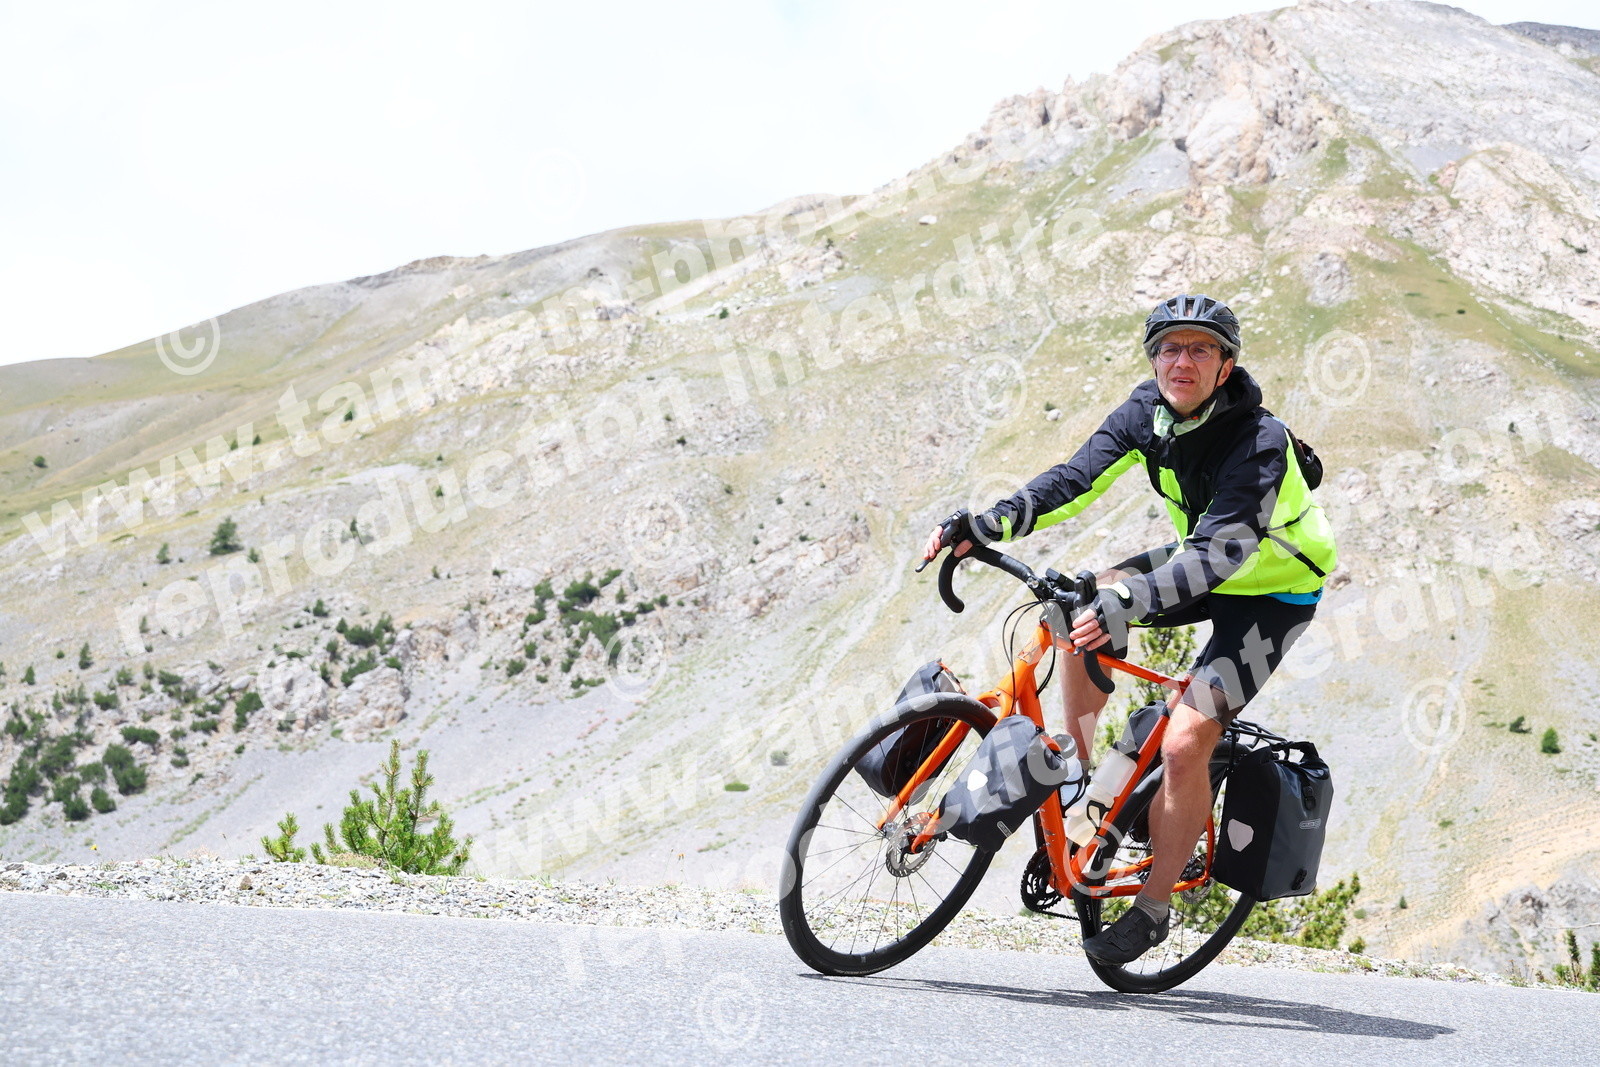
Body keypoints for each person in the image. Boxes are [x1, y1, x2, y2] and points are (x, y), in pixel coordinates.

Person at [919, 293, 1336, 965]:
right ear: (1153, 359)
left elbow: (1219, 555)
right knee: (1079, 607)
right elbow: (1074, 480)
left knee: (1185, 741)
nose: (1182, 361)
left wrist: (1131, 599)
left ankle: (1153, 907)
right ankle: (1080, 777)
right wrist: (988, 524)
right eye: (1169, 348)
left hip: (1272, 590)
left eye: (1200, 349)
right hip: (1201, 560)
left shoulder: (1260, 442)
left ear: (1226, 366)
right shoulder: (1146, 411)